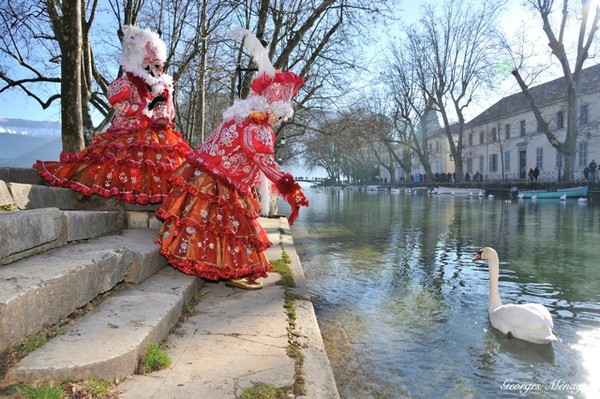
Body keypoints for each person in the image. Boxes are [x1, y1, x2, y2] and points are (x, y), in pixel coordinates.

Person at [155, 29, 309, 290]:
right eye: (279, 116)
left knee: (214, 227)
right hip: (222, 182)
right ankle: (229, 270)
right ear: (272, 109)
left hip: (207, 174)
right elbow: (265, 162)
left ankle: (215, 264)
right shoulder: (257, 128)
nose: (278, 120)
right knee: (230, 228)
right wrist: (290, 189)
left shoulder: (239, 117)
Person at [33, 26, 192, 204]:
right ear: (143, 61)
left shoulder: (156, 85)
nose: (159, 69)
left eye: (160, 65)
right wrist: (146, 107)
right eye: (155, 65)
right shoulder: (126, 82)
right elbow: (121, 108)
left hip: (155, 135)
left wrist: (164, 101)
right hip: (127, 133)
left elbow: (167, 116)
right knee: (117, 165)